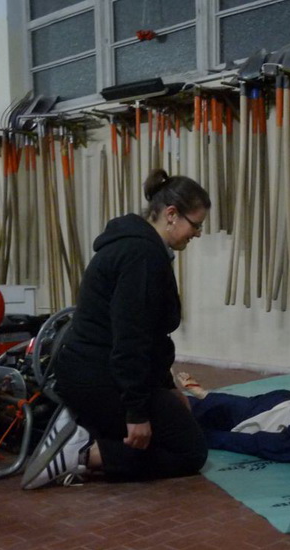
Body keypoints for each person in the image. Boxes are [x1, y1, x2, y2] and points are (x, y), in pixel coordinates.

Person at [22, 170, 211, 489]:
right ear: (171, 214)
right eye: (196, 225)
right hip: (99, 377)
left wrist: (167, 388)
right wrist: (136, 414)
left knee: (177, 424)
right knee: (189, 451)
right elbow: (131, 339)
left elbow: (152, 339)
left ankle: (85, 429)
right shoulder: (142, 255)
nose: (197, 234)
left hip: (93, 373)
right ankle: (80, 453)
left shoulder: (138, 246)